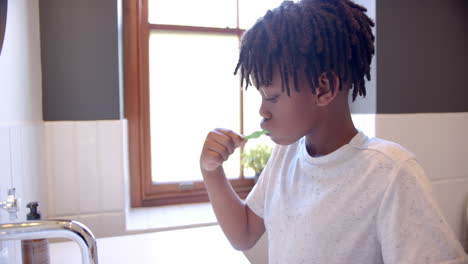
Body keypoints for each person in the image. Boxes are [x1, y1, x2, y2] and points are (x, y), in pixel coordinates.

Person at [199, 0, 468, 263]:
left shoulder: (390, 172)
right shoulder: (285, 155)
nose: (263, 111)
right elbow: (243, 234)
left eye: (272, 97)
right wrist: (212, 172)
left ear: (324, 88)